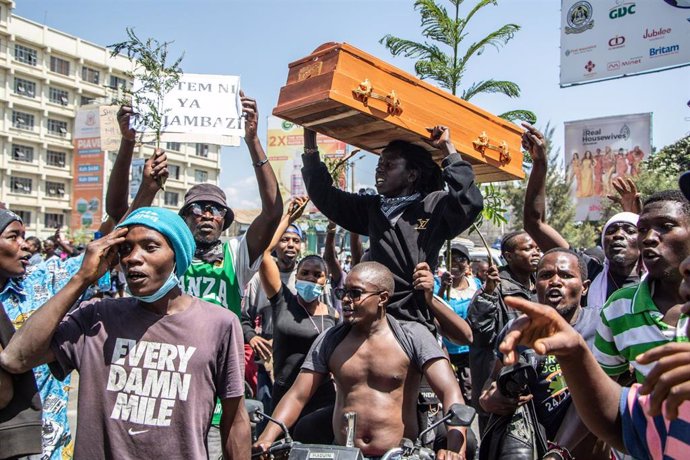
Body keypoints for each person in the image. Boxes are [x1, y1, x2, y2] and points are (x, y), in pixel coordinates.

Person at [0, 207, 251, 459]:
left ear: (178, 256)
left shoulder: (219, 324)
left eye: (150, 247)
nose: (133, 258)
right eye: (125, 249)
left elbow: (235, 421)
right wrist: (82, 278)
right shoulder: (95, 317)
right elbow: (15, 358)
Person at [254, 262, 468, 459]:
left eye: (355, 293)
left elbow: (450, 391)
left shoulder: (413, 336)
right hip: (343, 453)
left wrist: (455, 449)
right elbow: (298, 395)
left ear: (382, 298)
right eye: (343, 292)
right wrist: (267, 437)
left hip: (399, 455)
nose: (345, 299)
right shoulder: (330, 339)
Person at [301, 125, 483, 332]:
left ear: (412, 175)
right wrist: (310, 142)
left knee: (435, 364)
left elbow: (470, 202)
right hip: (370, 320)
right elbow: (323, 194)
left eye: (389, 165)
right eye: (379, 163)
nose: (380, 169)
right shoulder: (371, 207)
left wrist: (447, 148)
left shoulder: (434, 205)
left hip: (414, 322)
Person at [480, 248, 609, 459]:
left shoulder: (603, 327)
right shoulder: (518, 328)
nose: (555, 281)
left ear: (584, 287)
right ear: (535, 283)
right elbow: (492, 380)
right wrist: (490, 399)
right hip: (532, 449)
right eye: (546, 275)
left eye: (566, 275)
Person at [522, 123, 641, 310]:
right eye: (611, 230)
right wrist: (540, 163)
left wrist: (634, 217)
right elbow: (534, 224)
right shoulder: (590, 273)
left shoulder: (661, 279)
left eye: (629, 230)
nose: (618, 235)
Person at [594, 189, 690, 382]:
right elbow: (606, 388)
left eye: (665, 226)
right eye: (642, 229)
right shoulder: (618, 308)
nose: (648, 238)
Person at [258, 218, 338, 413]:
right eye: (305, 273)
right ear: (297, 276)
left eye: (317, 274)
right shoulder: (283, 300)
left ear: (325, 280)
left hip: (322, 396)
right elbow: (264, 255)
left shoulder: (333, 314)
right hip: (284, 392)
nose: (310, 278)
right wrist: (288, 219)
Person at [466, 230, 540, 432]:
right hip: (500, 395)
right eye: (528, 249)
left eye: (537, 248)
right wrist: (488, 294)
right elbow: (479, 334)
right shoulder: (494, 288)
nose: (535, 253)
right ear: (508, 256)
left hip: (536, 392)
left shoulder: (541, 287)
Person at [242, 196, 308, 414]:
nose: (290, 244)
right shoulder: (260, 280)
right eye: (285, 239)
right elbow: (242, 317)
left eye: (295, 240)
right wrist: (252, 336)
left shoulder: (309, 279)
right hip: (267, 366)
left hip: (302, 367)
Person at [436, 243, 482, 403]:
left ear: (468, 264)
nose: (455, 262)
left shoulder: (476, 285)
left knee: (470, 393)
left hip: (470, 351)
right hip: (445, 351)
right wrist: (442, 288)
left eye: (461, 259)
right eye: (451, 258)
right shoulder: (436, 284)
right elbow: (435, 310)